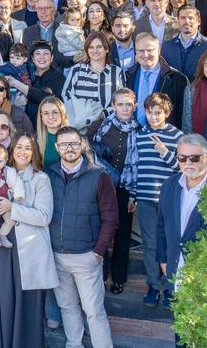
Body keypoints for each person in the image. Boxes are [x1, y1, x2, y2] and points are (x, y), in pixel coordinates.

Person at [48, 126, 117, 348]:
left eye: (74, 143)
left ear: (82, 145)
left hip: (86, 256)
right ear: (57, 148)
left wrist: (97, 252)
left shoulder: (98, 175)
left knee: (94, 311)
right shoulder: (48, 174)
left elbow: (111, 218)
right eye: (64, 144)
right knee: (67, 307)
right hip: (57, 255)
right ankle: (74, 344)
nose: (70, 148)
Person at [0, 134, 56, 348]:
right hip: (1, 244)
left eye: (28, 148)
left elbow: (44, 216)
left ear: (34, 152)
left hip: (28, 248)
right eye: (19, 147)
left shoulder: (40, 179)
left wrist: (13, 209)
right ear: (11, 150)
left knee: (28, 304)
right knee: (5, 300)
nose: (23, 151)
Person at [156, 134, 207, 300]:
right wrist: (163, 261)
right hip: (175, 271)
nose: (187, 163)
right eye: (182, 157)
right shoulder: (169, 185)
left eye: (194, 158)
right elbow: (161, 226)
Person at [86, 88, 140, 295]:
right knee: (101, 231)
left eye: (128, 104)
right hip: (101, 185)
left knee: (122, 235)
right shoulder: (101, 125)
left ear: (134, 106)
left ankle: (118, 278)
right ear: (113, 106)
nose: (124, 108)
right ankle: (100, 275)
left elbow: (138, 165)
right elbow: (86, 146)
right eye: (120, 104)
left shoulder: (139, 130)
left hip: (125, 188)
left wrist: (133, 194)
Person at [132, 93, 182, 308]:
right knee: (150, 245)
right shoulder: (140, 135)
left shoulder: (177, 136)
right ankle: (153, 286)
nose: (153, 117)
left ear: (166, 113)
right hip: (145, 198)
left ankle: (172, 287)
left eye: (157, 113)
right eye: (149, 113)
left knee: (171, 244)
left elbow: (182, 169)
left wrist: (165, 152)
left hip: (169, 200)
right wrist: (133, 194)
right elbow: (135, 167)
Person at [60, 33, 124, 132]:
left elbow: (122, 100)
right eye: (91, 47)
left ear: (106, 49)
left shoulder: (117, 72)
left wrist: (102, 114)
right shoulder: (77, 70)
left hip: (109, 128)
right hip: (80, 129)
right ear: (87, 50)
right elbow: (66, 95)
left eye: (99, 47)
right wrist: (83, 114)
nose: (95, 51)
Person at [125, 33, 188, 128]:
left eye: (150, 50)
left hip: (164, 138)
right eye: (141, 51)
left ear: (158, 50)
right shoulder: (128, 76)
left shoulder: (177, 79)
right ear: (136, 52)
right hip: (133, 135)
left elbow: (184, 116)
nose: (145, 55)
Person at [161, 6, 207, 81]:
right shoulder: (166, 47)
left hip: (198, 91)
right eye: (183, 18)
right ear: (178, 21)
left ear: (199, 21)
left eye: (190, 18)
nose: (186, 21)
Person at [19, 41, 65, 123]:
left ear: (51, 58)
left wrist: (16, 84)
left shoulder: (58, 77)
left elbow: (45, 97)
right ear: (32, 58)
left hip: (49, 123)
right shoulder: (25, 74)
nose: (42, 57)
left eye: (46, 53)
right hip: (26, 123)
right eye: (37, 53)